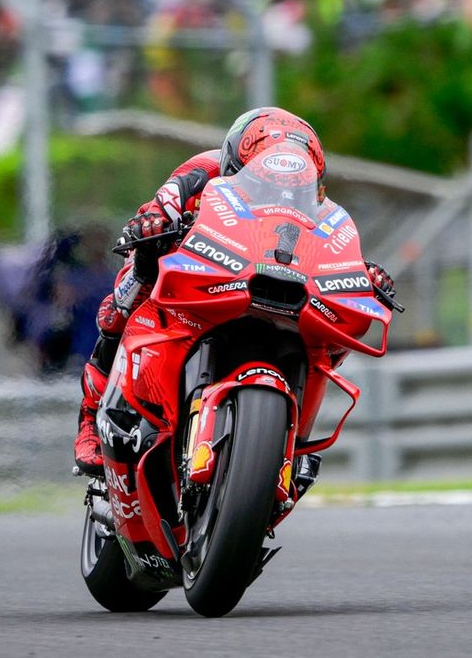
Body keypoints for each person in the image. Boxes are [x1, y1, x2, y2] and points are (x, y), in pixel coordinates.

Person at [74, 107, 397, 475]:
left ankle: (293, 447)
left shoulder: (321, 208)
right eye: (266, 181)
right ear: (236, 164)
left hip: (268, 284)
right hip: (197, 271)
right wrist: (151, 226)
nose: (281, 191)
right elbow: (157, 209)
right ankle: (90, 416)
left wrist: (361, 276)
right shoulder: (199, 173)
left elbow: (333, 248)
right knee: (130, 285)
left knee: (331, 330)